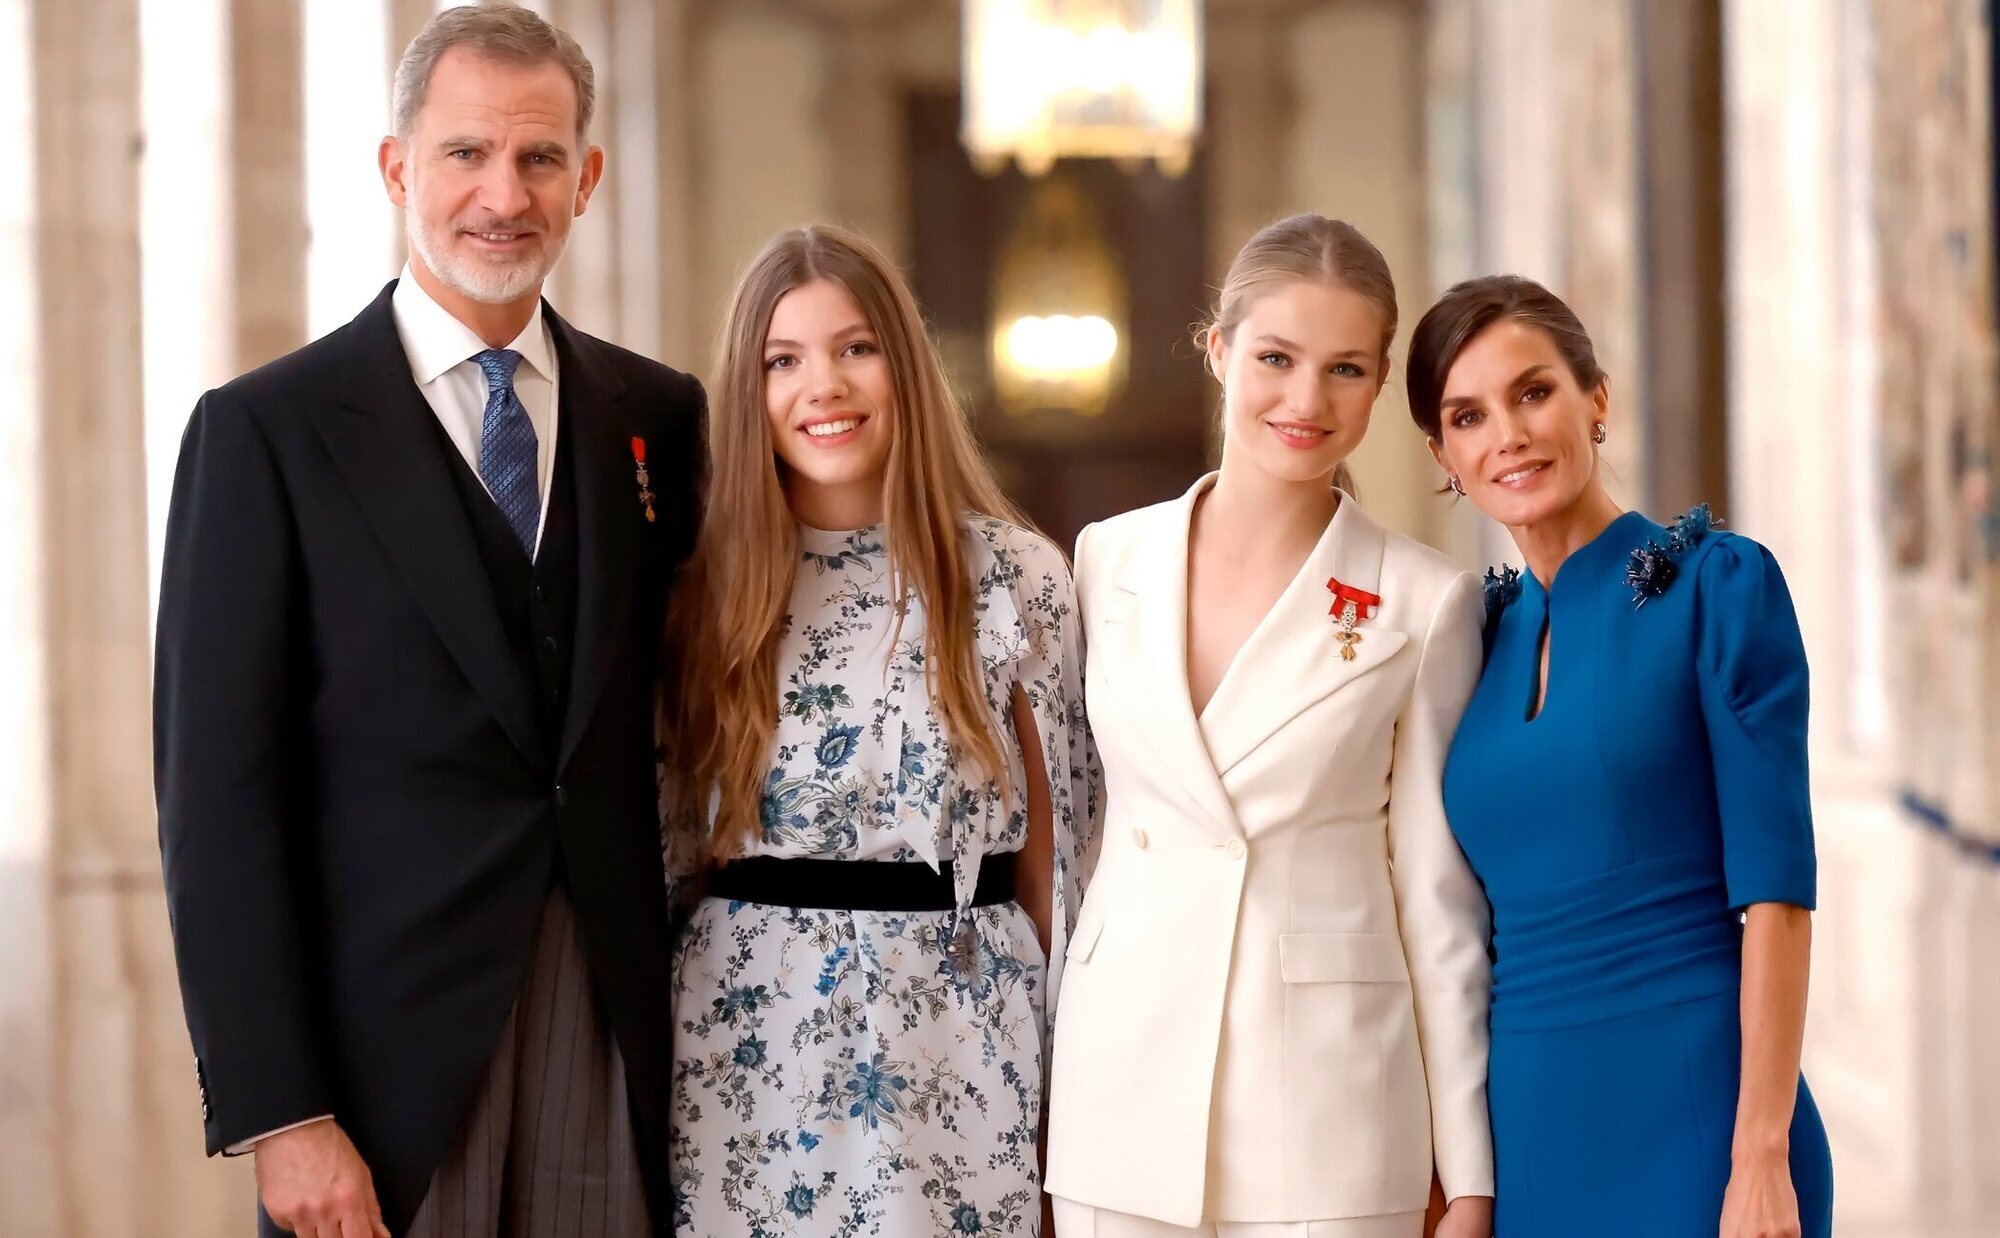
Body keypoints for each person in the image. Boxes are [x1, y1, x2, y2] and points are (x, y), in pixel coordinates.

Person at [153, 6, 704, 1235]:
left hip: (608, 1033)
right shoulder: (266, 435)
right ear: (398, 168)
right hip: (378, 1071)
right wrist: (281, 1114)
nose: (501, 193)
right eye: (464, 153)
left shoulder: (658, 417)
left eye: (539, 157)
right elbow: (216, 804)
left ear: (587, 178)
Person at [1045, 214, 1495, 1238]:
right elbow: (1071, 836)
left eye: (1343, 369)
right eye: (1275, 358)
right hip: (1119, 1090)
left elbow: (1435, 898)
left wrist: (1466, 1169)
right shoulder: (1104, 561)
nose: (1304, 400)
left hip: (1324, 1102)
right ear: (1217, 350)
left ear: (1380, 384)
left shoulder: (1420, 601)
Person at [658, 224, 1097, 1237]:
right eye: (784, 359)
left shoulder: (1014, 578)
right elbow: (664, 853)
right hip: (743, 1052)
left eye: (854, 348)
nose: (825, 385)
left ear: (904, 367)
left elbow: (1056, 871)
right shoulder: (698, 596)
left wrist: (1065, 1125)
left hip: (961, 1045)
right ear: (748, 387)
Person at [1408, 274, 1834, 1237]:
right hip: (1532, 1137)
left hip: (1701, 1126)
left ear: (1595, 398)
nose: (1507, 435)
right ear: (1444, 456)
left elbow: (1778, 892)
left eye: (1533, 392)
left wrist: (1759, 1153)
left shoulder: (1717, 588)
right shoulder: (1475, 637)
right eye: (1468, 417)